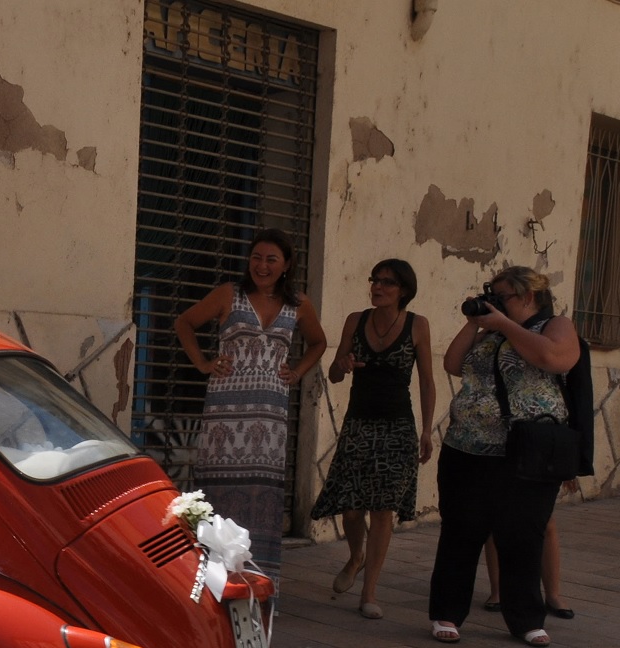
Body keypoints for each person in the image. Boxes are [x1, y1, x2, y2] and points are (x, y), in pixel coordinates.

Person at [428, 267, 580, 647]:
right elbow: (452, 364)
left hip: (526, 450)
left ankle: (526, 618)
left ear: (528, 296)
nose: (495, 301)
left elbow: (553, 359)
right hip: (466, 446)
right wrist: (477, 323)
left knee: (522, 534)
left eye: (503, 295)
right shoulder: (491, 330)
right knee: (460, 531)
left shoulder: (554, 325)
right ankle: (447, 613)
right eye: (490, 294)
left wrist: (505, 325)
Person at [173, 228, 329, 583]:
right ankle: (211, 579)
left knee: (263, 494)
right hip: (225, 415)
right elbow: (184, 323)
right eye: (256, 257)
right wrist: (202, 363)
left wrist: (297, 371)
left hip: (270, 416)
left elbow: (318, 342)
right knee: (219, 491)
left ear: (287, 264)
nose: (262, 265)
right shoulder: (230, 294)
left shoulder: (299, 304)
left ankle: (258, 581)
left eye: (271, 259)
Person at [314, 258, 435, 619]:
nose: (378, 287)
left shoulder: (418, 326)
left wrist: (427, 430)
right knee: (351, 508)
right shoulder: (356, 320)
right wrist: (343, 365)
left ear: (403, 291)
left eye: (387, 282)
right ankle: (356, 557)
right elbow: (335, 374)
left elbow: (427, 381)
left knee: (383, 511)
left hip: (397, 427)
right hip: (359, 425)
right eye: (375, 280)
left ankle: (369, 593)